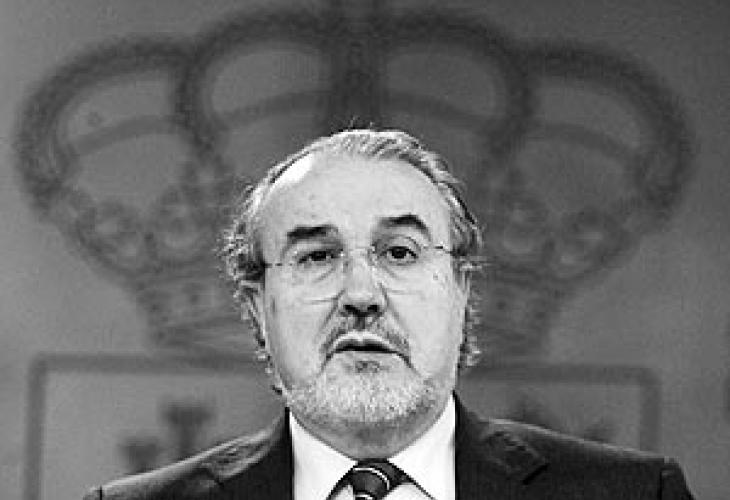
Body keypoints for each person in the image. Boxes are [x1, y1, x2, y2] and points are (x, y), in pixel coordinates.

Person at [83, 129, 695, 499]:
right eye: (317, 256)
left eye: (399, 252)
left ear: (461, 291)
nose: (361, 294)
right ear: (257, 308)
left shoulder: (637, 496)